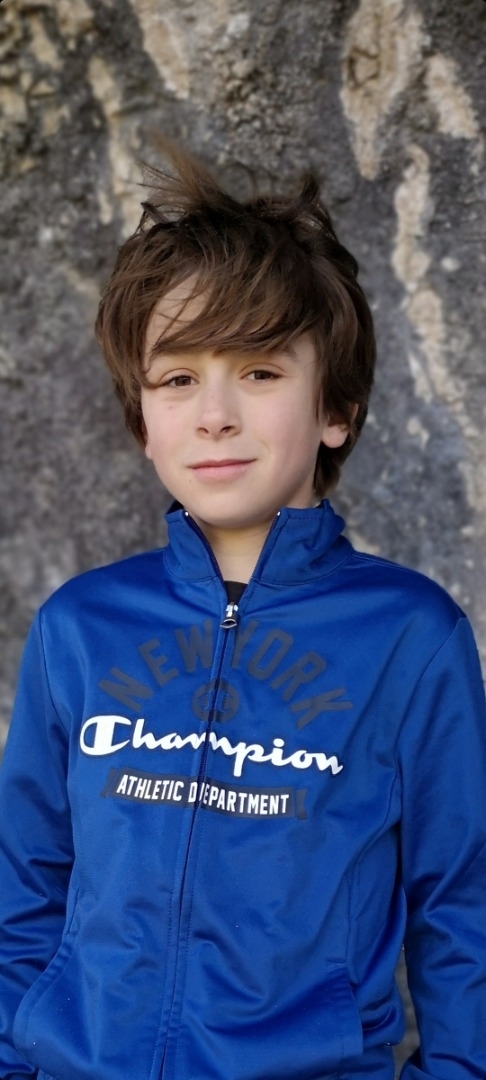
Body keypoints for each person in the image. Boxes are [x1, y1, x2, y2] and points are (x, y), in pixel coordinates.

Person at [0, 145, 485, 1080]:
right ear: (143, 420)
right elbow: (25, 883)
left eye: (260, 372)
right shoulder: (79, 628)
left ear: (337, 409)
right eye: (177, 379)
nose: (214, 413)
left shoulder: (411, 638)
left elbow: (461, 906)